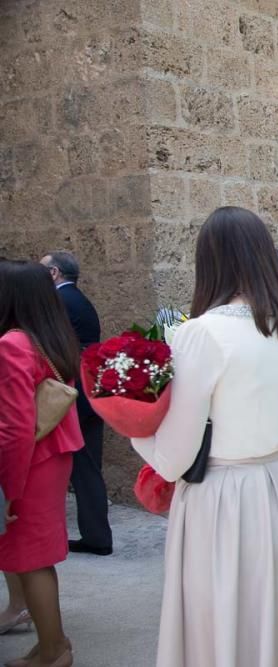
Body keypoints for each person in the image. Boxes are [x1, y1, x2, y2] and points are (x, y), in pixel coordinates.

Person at [130, 207, 278, 666]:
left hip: (228, 501)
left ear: (209, 261)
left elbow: (173, 461)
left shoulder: (201, 334)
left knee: (235, 634)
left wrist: (131, 425)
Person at [0, 260, 84, 667]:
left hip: (30, 462)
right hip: (53, 453)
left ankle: (53, 652)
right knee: (38, 556)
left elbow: (15, 427)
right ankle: (53, 642)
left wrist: (9, 492)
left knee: (29, 559)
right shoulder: (48, 336)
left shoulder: (13, 342)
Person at [39, 251, 111, 557]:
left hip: (73, 394)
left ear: (54, 273)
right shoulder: (78, 299)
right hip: (88, 390)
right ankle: (96, 535)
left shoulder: (61, 301)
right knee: (88, 467)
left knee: (74, 466)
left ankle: (92, 536)